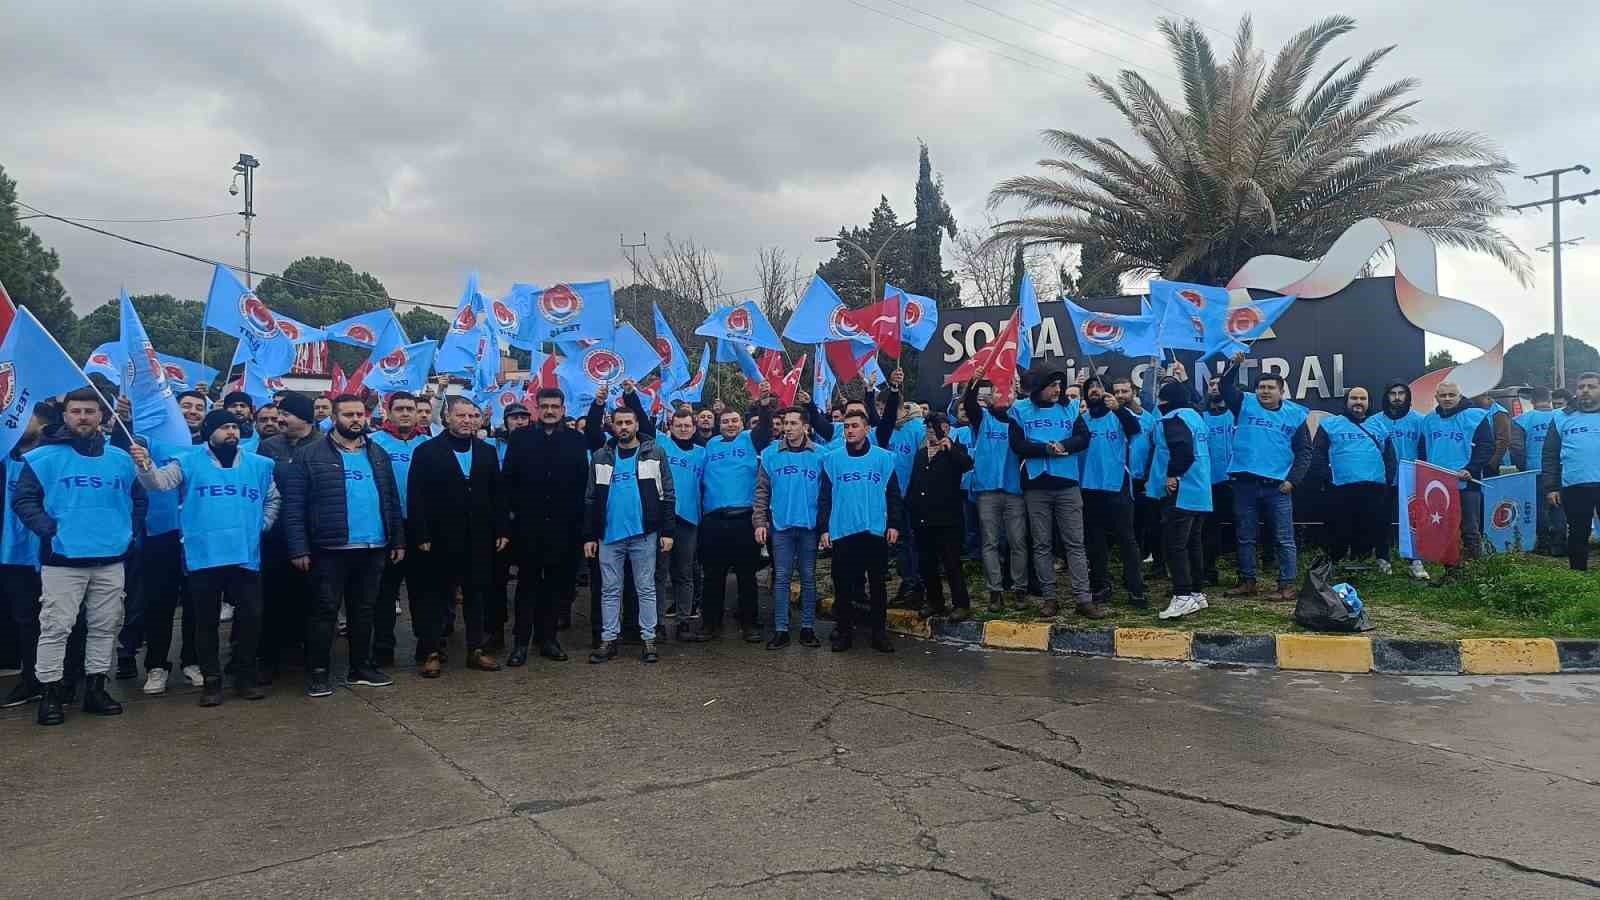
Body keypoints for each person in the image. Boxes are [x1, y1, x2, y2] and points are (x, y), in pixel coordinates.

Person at [11, 388, 147, 726]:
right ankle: (51, 694)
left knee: (105, 627)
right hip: (63, 560)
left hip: (111, 558)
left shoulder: (121, 458)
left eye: (90, 411)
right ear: (66, 415)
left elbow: (138, 500)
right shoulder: (44, 458)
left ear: (101, 416)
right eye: (76, 411)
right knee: (56, 628)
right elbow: (25, 501)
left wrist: (128, 531)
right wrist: (51, 530)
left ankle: (96, 688)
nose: (83, 417)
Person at [131, 410, 277, 705]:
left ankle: (245, 678)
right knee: (205, 621)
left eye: (234, 427)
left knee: (250, 618)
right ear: (210, 432)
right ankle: (212, 682)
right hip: (204, 554)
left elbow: (273, 498)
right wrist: (145, 466)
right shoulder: (186, 461)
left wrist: (262, 524)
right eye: (224, 427)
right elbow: (158, 483)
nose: (231, 432)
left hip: (245, 554)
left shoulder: (260, 464)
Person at [280, 394, 406, 697]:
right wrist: (298, 548)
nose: (355, 420)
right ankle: (319, 673)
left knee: (364, 611)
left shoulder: (377, 454)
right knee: (324, 612)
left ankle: (361, 667)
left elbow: (391, 500)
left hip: (373, 546)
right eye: (348, 414)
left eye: (359, 414)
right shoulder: (310, 455)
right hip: (330, 549)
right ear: (334, 418)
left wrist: (397, 539)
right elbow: (294, 506)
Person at [406, 396, 510, 675]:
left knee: (476, 596)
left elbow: (497, 493)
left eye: (472, 416)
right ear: (447, 417)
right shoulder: (427, 451)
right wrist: (421, 533)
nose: (467, 421)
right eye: (461, 416)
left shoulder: (486, 452)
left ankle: (476, 650)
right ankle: (432, 651)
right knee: (436, 597)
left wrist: (501, 528)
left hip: (478, 537)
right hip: (439, 537)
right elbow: (416, 496)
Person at [502, 388, 589, 666]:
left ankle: (549, 639)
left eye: (555, 406)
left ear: (563, 409)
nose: (550, 410)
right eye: (545, 406)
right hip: (529, 526)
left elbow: (581, 484)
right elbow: (509, 482)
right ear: (537, 409)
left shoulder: (576, 440)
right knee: (527, 586)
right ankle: (520, 643)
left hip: (563, 528)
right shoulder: (521, 438)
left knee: (556, 586)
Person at [1218, 353, 1312, 600]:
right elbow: (1225, 387)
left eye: (1271, 388)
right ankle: (1247, 581)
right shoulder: (1244, 403)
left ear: (1282, 392)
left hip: (1278, 487)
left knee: (1284, 538)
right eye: (1261, 387)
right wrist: (1233, 365)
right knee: (1245, 536)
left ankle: (1287, 585)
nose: (1265, 391)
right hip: (1244, 484)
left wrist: (1293, 480)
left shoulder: (1295, 415)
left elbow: (1304, 451)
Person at [584, 405, 673, 663]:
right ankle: (609, 640)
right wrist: (590, 536)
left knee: (645, 588)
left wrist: (668, 531)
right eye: (618, 423)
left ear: (636, 425)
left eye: (628, 423)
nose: (623, 427)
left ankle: (648, 640)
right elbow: (590, 498)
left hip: (644, 534)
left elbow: (668, 494)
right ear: (611, 426)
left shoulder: (655, 452)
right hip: (609, 535)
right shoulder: (600, 456)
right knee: (609, 590)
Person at [1007, 369, 1100, 618]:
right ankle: (1050, 598)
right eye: (1052, 386)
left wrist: (1064, 446)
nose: (1057, 390)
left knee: (1075, 544)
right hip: (1036, 486)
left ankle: (1083, 599)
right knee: (1042, 545)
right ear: (1037, 388)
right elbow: (1017, 445)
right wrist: (1045, 449)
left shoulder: (1069, 407)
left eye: (1059, 385)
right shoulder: (1019, 409)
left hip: (1067, 484)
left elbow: (1083, 437)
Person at [818, 410, 902, 653]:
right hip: (843, 531)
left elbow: (893, 494)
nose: (850, 430)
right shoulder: (832, 459)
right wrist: (824, 528)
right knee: (843, 586)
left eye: (855, 426)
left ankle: (879, 633)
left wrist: (894, 524)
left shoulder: (883, 458)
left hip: (874, 530)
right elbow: (824, 497)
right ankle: (844, 632)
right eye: (846, 426)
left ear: (867, 429)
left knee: (877, 586)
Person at [255, 393, 322, 682]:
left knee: (312, 600)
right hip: (275, 536)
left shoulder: (324, 445)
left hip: (314, 536)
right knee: (272, 599)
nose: (279, 419)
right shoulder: (268, 447)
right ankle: (268, 658)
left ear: (305, 418)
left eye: (286, 414)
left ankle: (309, 657)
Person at [694, 406, 772, 642]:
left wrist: (764, 404)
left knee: (746, 575)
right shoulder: (710, 445)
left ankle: (749, 624)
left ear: (742, 424)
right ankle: (710, 624)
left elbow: (766, 428)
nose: (730, 425)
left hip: (743, 519)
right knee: (712, 575)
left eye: (734, 421)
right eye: (725, 421)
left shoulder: (751, 440)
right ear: (719, 424)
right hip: (714, 520)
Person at [754, 406, 826, 648]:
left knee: (808, 578)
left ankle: (807, 628)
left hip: (809, 527)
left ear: (805, 426)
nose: (788, 428)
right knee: (782, 578)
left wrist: (825, 527)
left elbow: (828, 494)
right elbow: (762, 492)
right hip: (781, 527)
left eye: (794, 423)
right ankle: (781, 629)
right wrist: (759, 522)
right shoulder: (770, 454)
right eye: (786, 423)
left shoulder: (820, 455)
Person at [1072, 375, 1146, 609]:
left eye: (1098, 387)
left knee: (1127, 540)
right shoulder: (1081, 420)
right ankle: (1101, 586)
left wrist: (1120, 410)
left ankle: (1135, 589)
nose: (1094, 391)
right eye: (1089, 388)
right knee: (1095, 543)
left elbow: (1135, 429)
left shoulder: (1120, 415)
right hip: (1089, 489)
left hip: (1117, 487)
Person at [369, 392, 429, 667]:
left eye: (410, 409)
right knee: (385, 592)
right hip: (388, 527)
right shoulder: (373, 445)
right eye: (400, 409)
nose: (405, 413)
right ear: (388, 412)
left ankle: (426, 645)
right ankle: (383, 646)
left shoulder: (428, 445)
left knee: (423, 590)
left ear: (418, 413)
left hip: (420, 528)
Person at [1144, 381, 1212, 619]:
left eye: (1161, 400)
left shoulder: (1172, 418)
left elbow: (1181, 449)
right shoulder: (1196, 418)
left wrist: (1173, 474)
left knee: (1175, 545)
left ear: (1166, 401)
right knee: (1192, 543)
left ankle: (1182, 596)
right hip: (1200, 490)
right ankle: (1196, 593)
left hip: (1182, 491)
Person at [0, 405, 52, 709]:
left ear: (43, 424)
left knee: (63, 620)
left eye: (23, 417)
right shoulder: (6, 456)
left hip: (52, 550)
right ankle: (32, 680)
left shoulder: (54, 455)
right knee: (26, 620)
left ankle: (68, 678)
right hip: (13, 554)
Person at [1310, 387, 1396, 567]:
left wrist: (1387, 479)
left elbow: (1389, 457)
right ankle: (1334, 563)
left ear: (1368, 403)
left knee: (1371, 527)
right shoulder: (1330, 424)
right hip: (1341, 487)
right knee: (1339, 528)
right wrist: (1326, 477)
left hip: (1374, 487)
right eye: (1354, 398)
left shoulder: (1379, 426)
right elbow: (1318, 453)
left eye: (1362, 398)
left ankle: (1364, 561)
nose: (1358, 402)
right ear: (1346, 401)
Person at [961, 379, 1026, 609]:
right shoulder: (983, 418)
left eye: (1009, 391)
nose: (1004, 395)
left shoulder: (1020, 418)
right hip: (987, 489)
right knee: (990, 542)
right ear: (992, 395)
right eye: (1000, 391)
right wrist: (974, 382)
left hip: (1014, 489)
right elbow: (968, 404)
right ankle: (995, 591)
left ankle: (1019, 589)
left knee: (1017, 542)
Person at [1417, 381, 1494, 573]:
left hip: (1466, 483)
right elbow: (1422, 450)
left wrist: (1472, 468)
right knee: (1444, 530)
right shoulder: (1429, 420)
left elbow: (1486, 446)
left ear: (1460, 396)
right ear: (1436, 398)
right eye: (1443, 395)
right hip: (1438, 485)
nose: (1447, 399)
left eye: (1452, 395)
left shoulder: (1476, 416)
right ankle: (1451, 571)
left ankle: (1477, 572)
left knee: (1470, 529)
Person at [905, 412, 974, 620]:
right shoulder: (920, 454)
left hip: (947, 518)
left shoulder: (955, 449)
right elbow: (915, 483)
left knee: (951, 563)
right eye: (927, 428)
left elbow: (966, 464)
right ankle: (935, 600)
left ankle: (961, 603)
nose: (930, 432)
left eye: (934, 427)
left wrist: (950, 448)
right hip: (923, 518)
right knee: (927, 563)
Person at [876, 369, 927, 608]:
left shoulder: (918, 428)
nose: (880, 414)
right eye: (877, 410)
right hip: (889, 498)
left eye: (884, 409)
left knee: (911, 542)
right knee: (897, 542)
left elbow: (925, 461)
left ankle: (916, 585)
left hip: (912, 495)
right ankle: (907, 582)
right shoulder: (882, 433)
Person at [1540, 372, 1600, 571]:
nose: (1585, 391)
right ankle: (1578, 577)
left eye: (1591, 387)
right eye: (1581, 387)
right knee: (1577, 533)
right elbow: (1550, 455)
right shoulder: (1560, 416)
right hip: (1575, 485)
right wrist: (1551, 487)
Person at [657, 408, 705, 640]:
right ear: (671, 427)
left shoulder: (702, 453)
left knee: (684, 573)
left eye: (687, 426)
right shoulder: (661, 446)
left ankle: (683, 622)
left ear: (694, 428)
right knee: (659, 574)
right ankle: (655, 624)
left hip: (689, 520)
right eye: (679, 425)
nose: (683, 429)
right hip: (663, 519)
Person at [1113, 377, 1164, 580]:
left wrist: (1151, 476)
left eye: (1124, 391)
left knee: (1151, 525)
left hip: (1143, 480)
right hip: (1121, 480)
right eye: (1116, 392)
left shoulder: (1150, 419)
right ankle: (1132, 570)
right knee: (1128, 528)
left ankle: (1157, 564)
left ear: (1134, 391)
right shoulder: (1113, 416)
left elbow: (1156, 449)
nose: (1120, 396)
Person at [1380, 379, 1431, 579]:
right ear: (1386, 396)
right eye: (1393, 393)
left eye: (1402, 393)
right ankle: (1383, 559)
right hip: (1384, 479)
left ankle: (1415, 561)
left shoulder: (1420, 420)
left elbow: (1425, 450)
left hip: (1411, 479)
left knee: (1412, 522)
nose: (1397, 397)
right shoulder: (1376, 421)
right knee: (1382, 520)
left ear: (1408, 396)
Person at [1513, 387, 1565, 555]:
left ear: (1531, 401)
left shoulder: (1522, 420)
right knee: (1559, 507)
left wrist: (1523, 467)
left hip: (1534, 470)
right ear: (1549, 399)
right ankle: (1560, 544)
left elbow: (1517, 448)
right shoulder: (1562, 416)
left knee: (1539, 508)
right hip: (1560, 469)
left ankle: (1543, 543)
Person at [1200, 378, 1235, 585]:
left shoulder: (1236, 414)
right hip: (1209, 481)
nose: (1214, 387)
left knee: (1243, 527)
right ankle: (1208, 572)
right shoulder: (1200, 416)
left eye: (1219, 384)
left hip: (1234, 480)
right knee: (1208, 529)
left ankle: (1247, 574)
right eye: (1211, 385)